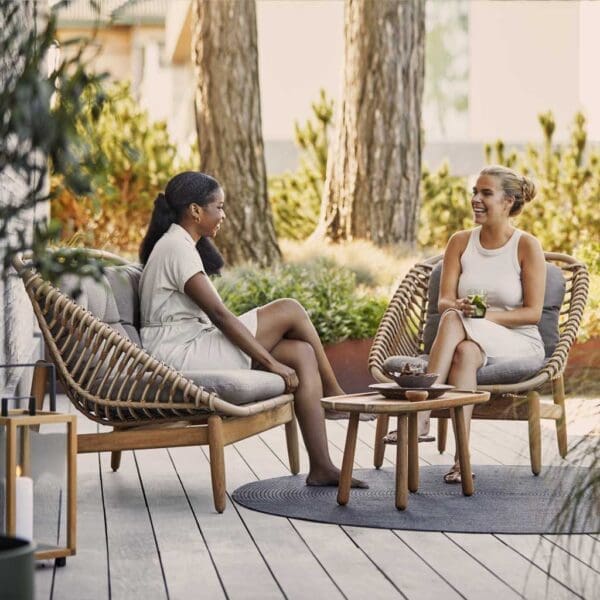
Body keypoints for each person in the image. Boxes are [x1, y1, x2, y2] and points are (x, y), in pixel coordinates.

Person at [138, 171, 366, 488]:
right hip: (180, 354)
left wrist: (274, 358)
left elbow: (218, 315)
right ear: (195, 211)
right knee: (290, 309)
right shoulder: (176, 247)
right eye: (218, 207)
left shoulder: (181, 244)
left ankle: (322, 467)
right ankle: (334, 394)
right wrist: (271, 363)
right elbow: (219, 315)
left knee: (300, 353)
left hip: (193, 344)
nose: (223, 215)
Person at [386, 165, 546, 483]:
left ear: (508, 202)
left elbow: (533, 313)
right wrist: (459, 308)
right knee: (465, 353)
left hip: (518, 341)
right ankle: (462, 461)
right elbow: (444, 302)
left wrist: (481, 316)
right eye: (475, 191)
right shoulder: (460, 242)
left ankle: (421, 413)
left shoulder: (527, 246)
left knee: (455, 320)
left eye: (486, 193)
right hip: (470, 338)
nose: (476, 199)